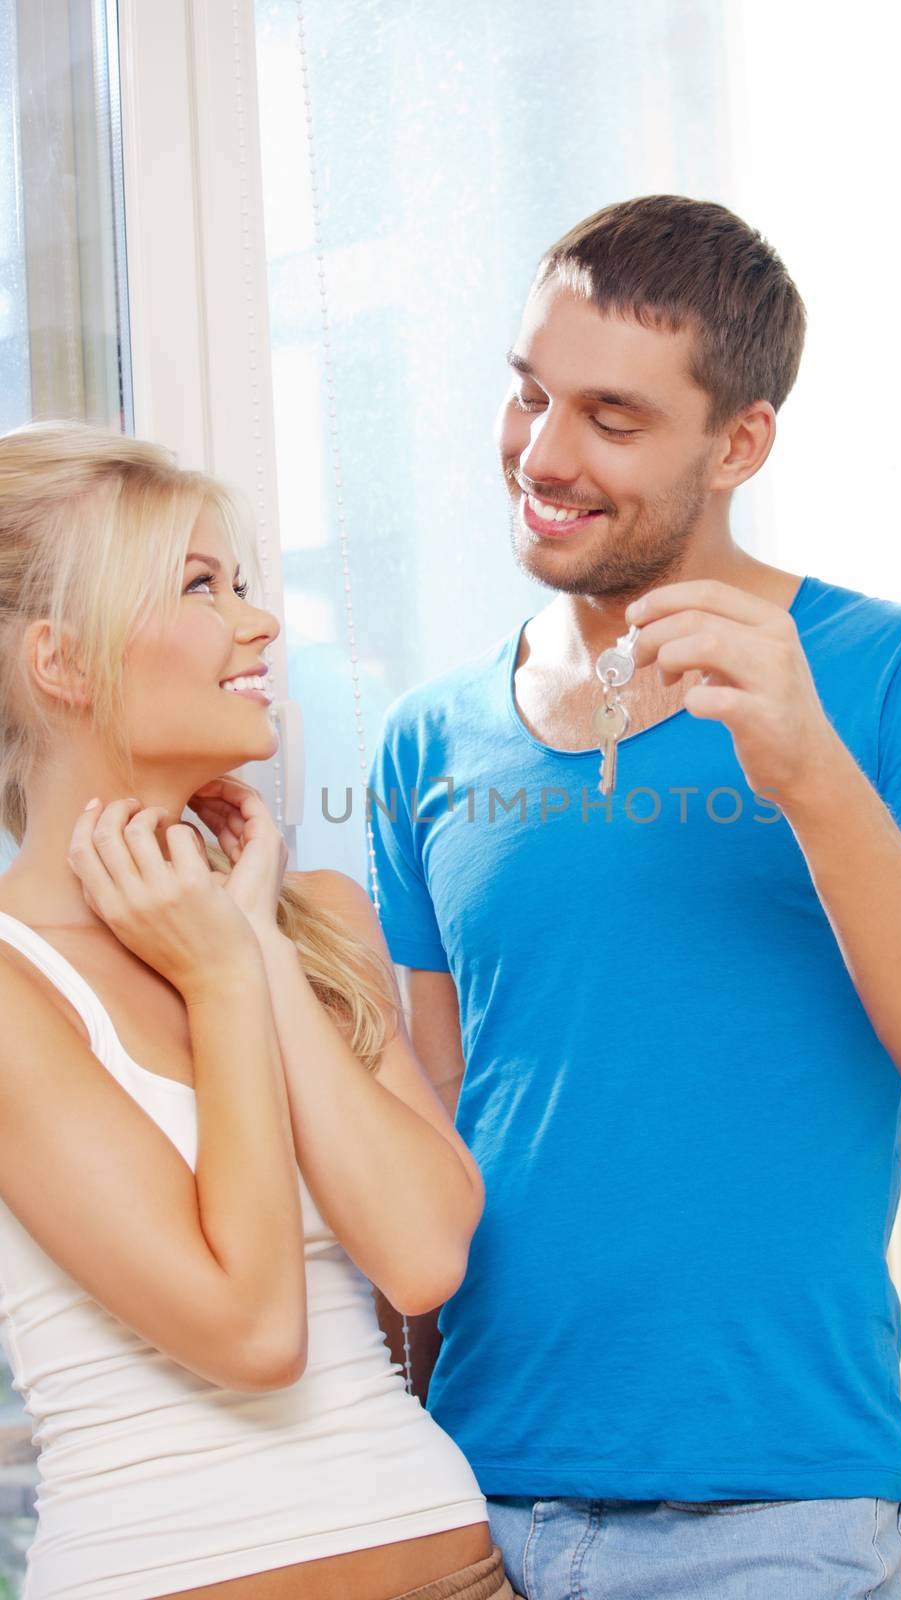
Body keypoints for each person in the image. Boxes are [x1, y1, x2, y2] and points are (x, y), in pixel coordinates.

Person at [366, 195, 901, 1599]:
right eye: (528, 395)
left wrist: (808, 770)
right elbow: (427, 1152)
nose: (545, 455)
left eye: (614, 419)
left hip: (772, 1518)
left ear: (739, 442)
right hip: (467, 1501)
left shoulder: (892, 672)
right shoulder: (425, 742)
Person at [0, 422, 519, 1600]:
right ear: (62, 665)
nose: (259, 623)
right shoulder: (11, 985)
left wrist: (262, 955)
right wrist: (224, 977)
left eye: (243, 583)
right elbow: (251, 1329)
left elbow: (424, 1254)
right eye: (200, 586)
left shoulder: (315, 912)